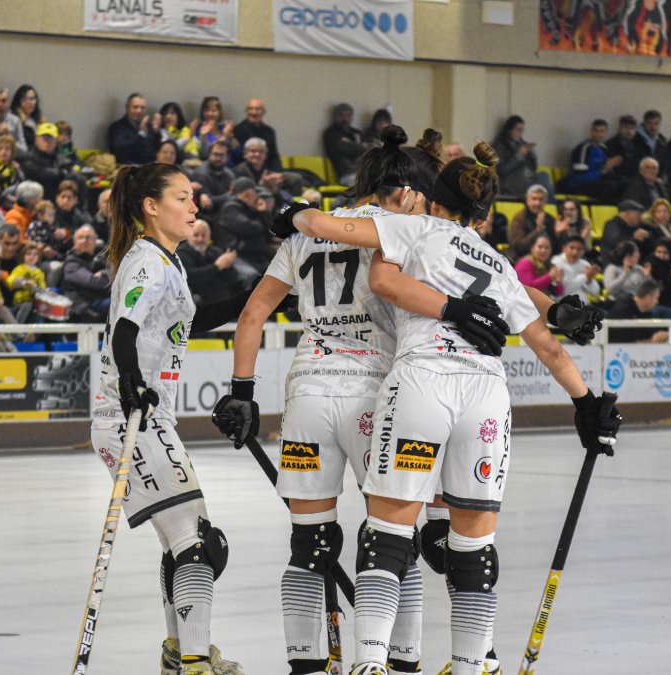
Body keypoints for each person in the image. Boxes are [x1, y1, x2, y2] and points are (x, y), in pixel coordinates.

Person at [269, 143, 620, 675]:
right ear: (485, 214)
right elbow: (548, 346)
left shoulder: (414, 230)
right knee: (472, 545)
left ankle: (371, 662)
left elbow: (343, 237)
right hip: (486, 395)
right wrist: (587, 404)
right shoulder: (499, 263)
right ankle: (474, 663)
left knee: (389, 535)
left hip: (422, 383)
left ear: (430, 199)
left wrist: (293, 215)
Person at [215, 128, 504, 675]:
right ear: (403, 190)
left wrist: (242, 393)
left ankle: (309, 665)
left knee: (310, 542)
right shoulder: (404, 227)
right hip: (376, 396)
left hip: (309, 397)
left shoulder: (305, 237)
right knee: (396, 538)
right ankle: (399, 663)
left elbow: (251, 315)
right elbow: (475, 273)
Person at [90, 163, 249, 674]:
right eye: (182, 197)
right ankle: (195, 661)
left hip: (148, 416)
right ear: (151, 207)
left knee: (186, 543)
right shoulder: (146, 263)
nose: (195, 207)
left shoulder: (169, 262)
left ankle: (180, 653)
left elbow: (190, 320)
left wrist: (254, 304)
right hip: (129, 416)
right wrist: (131, 379)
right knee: (200, 543)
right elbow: (125, 328)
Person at [215, 177, 273, 274]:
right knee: (252, 275)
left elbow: (269, 233)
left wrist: (264, 213)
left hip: (254, 255)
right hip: (236, 255)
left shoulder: (249, 209)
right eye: (255, 193)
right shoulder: (230, 208)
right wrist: (261, 214)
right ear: (247, 194)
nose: (257, 197)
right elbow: (251, 229)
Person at [176, 220, 242, 304]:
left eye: (204, 235)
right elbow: (192, 276)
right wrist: (217, 266)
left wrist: (228, 264)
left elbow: (233, 277)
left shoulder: (215, 251)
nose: (200, 239)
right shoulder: (181, 252)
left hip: (220, 295)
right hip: (195, 297)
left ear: (209, 237)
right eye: (196, 235)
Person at [560, 118, 624, 202]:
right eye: (596, 131)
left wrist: (611, 167)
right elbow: (577, 178)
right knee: (609, 187)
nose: (599, 134)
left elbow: (607, 173)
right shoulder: (583, 149)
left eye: (602, 131)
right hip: (577, 186)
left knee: (624, 183)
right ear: (591, 132)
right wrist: (602, 172)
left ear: (606, 133)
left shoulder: (604, 149)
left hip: (598, 183)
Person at [492, 115, 552, 198]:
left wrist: (532, 156)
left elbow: (533, 168)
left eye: (522, 130)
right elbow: (502, 170)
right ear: (509, 129)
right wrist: (519, 155)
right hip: (513, 183)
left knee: (544, 176)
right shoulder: (500, 146)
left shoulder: (521, 144)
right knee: (544, 188)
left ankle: (550, 206)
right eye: (518, 129)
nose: (520, 133)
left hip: (528, 180)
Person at [60, 225, 111, 323]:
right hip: (85, 307)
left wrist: (104, 273)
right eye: (81, 238)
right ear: (75, 242)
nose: (84, 240)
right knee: (120, 304)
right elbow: (92, 282)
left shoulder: (102, 258)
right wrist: (111, 280)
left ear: (95, 240)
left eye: (88, 237)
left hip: (102, 301)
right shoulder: (71, 263)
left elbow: (118, 275)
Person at [234, 137, 303, 199]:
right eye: (253, 151)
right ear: (245, 154)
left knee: (296, 178)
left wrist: (282, 177)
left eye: (261, 151)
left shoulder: (269, 166)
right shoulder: (239, 170)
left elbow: (291, 179)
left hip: (271, 197)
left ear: (265, 155)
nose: (257, 154)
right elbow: (242, 194)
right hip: (252, 203)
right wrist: (262, 185)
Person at [606, 279, 668, 343]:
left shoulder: (646, 312)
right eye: (656, 298)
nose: (657, 302)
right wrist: (652, 341)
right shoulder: (623, 310)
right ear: (648, 297)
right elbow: (625, 343)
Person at [106, 93, 160, 166]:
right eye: (135, 107)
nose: (139, 111)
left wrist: (157, 133)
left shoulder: (149, 126)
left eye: (142, 108)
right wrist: (141, 134)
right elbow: (120, 152)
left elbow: (156, 150)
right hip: (129, 168)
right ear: (127, 107)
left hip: (151, 166)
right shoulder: (117, 127)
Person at [507, 184, 556, 260]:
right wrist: (537, 231)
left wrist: (559, 234)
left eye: (541, 199)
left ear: (546, 201)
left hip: (547, 260)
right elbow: (518, 247)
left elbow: (556, 249)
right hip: (522, 259)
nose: (537, 203)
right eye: (534, 199)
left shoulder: (550, 219)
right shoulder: (519, 219)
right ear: (527, 200)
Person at [322, 103, 367, 186]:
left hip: (363, 172)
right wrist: (362, 147)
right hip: (346, 175)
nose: (345, 119)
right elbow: (351, 147)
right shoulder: (331, 133)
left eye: (348, 115)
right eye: (341, 115)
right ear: (335, 117)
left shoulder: (357, 133)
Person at [232, 99, 283, 171]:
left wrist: (278, 173)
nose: (254, 112)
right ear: (246, 112)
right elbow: (238, 157)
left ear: (264, 112)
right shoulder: (238, 130)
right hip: (246, 172)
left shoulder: (269, 131)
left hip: (268, 170)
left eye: (258, 109)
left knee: (296, 178)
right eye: (250, 109)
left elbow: (274, 156)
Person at [551, 235, 600, 302]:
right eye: (572, 248)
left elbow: (595, 292)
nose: (575, 252)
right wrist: (585, 276)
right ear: (564, 249)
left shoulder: (584, 264)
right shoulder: (556, 262)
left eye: (579, 249)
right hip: (561, 303)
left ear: (583, 252)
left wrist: (590, 280)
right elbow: (564, 291)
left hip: (582, 305)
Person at [600, 199, 650, 264]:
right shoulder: (611, 226)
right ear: (627, 214)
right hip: (615, 266)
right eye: (638, 214)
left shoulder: (635, 227)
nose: (640, 217)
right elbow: (616, 243)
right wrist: (634, 238)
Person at [6, 243, 47, 320]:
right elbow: (11, 280)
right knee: (27, 305)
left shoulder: (39, 272)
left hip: (35, 302)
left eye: (35, 255)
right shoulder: (19, 269)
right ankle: (17, 328)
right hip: (21, 301)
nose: (32, 257)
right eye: (28, 254)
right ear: (23, 256)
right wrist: (24, 282)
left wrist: (45, 292)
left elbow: (42, 287)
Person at [192, 96, 238, 162]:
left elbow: (238, 152)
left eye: (214, 111)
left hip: (229, 168)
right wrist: (224, 136)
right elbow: (204, 154)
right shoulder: (198, 129)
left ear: (219, 113)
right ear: (203, 112)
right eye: (207, 110)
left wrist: (230, 134)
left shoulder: (223, 127)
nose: (210, 113)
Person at [10, 85, 46, 151]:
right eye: (24, 99)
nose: (29, 103)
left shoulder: (40, 120)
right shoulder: (14, 120)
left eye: (32, 99)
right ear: (18, 102)